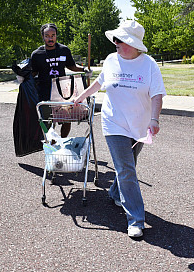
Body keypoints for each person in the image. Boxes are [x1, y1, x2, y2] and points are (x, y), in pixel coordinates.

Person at [74, 20, 166, 238]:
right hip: (113, 122)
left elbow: (157, 94)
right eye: (115, 39)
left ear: (133, 44)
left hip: (140, 125)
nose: (115, 42)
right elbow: (99, 82)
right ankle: (136, 219)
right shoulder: (111, 59)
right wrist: (80, 97)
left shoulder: (149, 65)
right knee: (126, 169)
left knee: (128, 166)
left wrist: (155, 119)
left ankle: (115, 192)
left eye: (120, 40)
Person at [30, 23, 87, 137]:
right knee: (47, 121)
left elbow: (71, 66)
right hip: (45, 92)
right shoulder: (37, 54)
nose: (50, 38)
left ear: (56, 36)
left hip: (63, 92)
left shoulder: (64, 50)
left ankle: (63, 141)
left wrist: (84, 69)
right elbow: (34, 72)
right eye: (47, 36)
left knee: (66, 119)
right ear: (43, 37)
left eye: (53, 35)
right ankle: (51, 143)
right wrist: (24, 75)